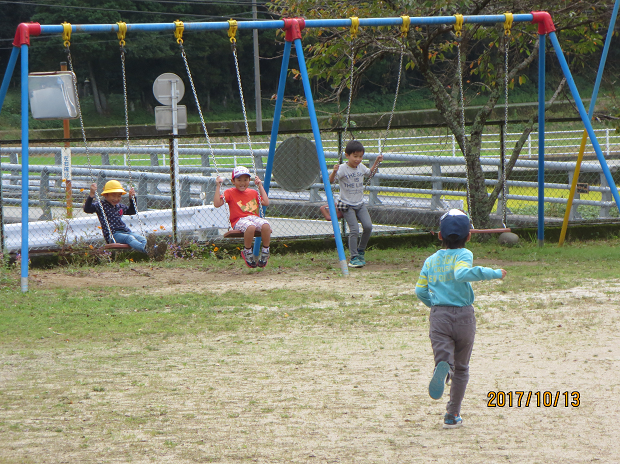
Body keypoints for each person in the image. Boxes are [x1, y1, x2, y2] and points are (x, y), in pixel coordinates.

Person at [415, 209, 507, 429]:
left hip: (439, 316)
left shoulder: (430, 261)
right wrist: (494, 273)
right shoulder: (464, 254)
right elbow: (461, 274)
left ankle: (444, 368)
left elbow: (420, 291)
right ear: (469, 236)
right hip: (464, 316)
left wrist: (433, 304)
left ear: (440, 235)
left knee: (444, 357)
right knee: (462, 368)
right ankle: (452, 414)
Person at [329, 140, 383, 268]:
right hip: (347, 204)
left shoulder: (361, 167)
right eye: (355, 156)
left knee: (368, 226)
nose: (358, 159)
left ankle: (360, 251)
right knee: (354, 230)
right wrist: (334, 171)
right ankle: (353, 257)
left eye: (360, 156)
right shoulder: (343, 169)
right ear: (347, 155)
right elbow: (330, 181)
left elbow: (370, 174)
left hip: (360, 203)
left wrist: (377, 162)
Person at [84, 180, 164, 258]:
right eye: (113, 196)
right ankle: (147, 250)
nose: (116, 198)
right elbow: (87, 209)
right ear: (106, 195)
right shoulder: (101, 205)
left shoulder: (119, 206)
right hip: (113, 235)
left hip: (125, 231)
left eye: (119, 196)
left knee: (141, 238)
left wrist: (132, 199)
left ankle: (156, 251)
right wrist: (91, 195)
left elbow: (132, 211)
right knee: (129, 238)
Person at [213, 166, 271, 268]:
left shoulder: (253, 192)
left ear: (249, 180)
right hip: (239, 220)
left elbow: (266, 202)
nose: (242, 183)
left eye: (245, 180)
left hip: (254, 218)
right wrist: (218, 186)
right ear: (233, 181)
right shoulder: (230, 192)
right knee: (251, 227)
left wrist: (260, 186)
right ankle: (247, 251)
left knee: (266, 225)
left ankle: (265, 251)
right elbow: (217, 204)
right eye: (239, 180)